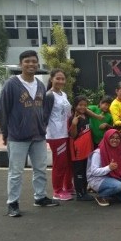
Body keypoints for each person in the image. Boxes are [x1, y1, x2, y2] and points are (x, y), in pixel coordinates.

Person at [0, 50, 60, 217]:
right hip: (18, 136)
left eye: (34, 61)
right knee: (16, 171)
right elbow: (3, 110)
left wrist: (43, 126)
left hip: (38, 135)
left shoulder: (40, 85)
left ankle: (40, 197)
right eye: (27, 61)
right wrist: (5, 133)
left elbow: (44, 109)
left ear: (37, 64)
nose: (31, 64)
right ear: (20, 64)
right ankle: (12, 203)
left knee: (40, 168)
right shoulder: (11, 84)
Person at [44, 68, 73, 201]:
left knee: (68, 162)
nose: (60, 81)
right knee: (59, 163)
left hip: (66, 133)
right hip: (56, 135)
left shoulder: (63, 94)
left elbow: (68, 114)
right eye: (58, 78)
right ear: (51, 79)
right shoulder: (49, 95)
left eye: (62, 79)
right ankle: (57, 191)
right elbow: (44, 116)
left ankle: (68, 187)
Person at [86, 129, 121, 207]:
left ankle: (111, 193)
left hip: (113, 177)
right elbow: (94, 171)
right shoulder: (98, 152)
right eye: (112, 138)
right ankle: (101, 196)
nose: (115, 140)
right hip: (97, 179)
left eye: (117, 138)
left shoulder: (118, 151)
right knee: (118, 185)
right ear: (106, 138)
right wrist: (109, 168)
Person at [69, 95, 94, 201]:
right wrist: (74, 124)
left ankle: (84, 191)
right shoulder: (73, 118)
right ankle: (80, 194)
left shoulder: (86, 116)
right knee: (79, 172)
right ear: (75, 106)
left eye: (84, 105)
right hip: (78, 150)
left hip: (86, 150)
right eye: (80, 105)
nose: (82, 107)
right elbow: (73, 135)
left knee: (85, 171)